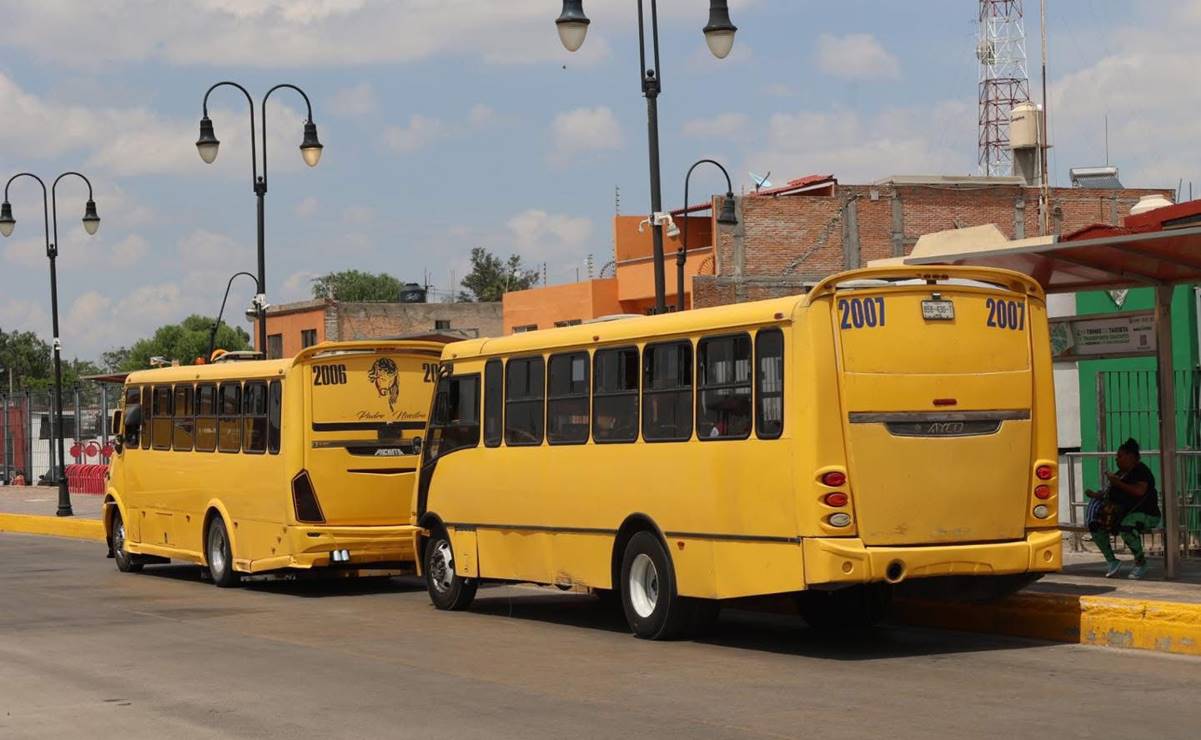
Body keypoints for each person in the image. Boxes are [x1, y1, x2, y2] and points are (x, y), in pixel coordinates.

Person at [1085, 438, 1162, 580]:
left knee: (1126, 527)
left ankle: (1141, 563)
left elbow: (1139, 491)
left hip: (1146, 515)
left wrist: (1118, 483)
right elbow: (1111, 493)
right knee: (1095, 526)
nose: (1116, 459)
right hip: (1122, 514)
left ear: (1131, 457)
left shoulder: (1141, 471)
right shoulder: (1121, 473)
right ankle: (1112, 561)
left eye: (1120, 456)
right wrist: (1096, 495)